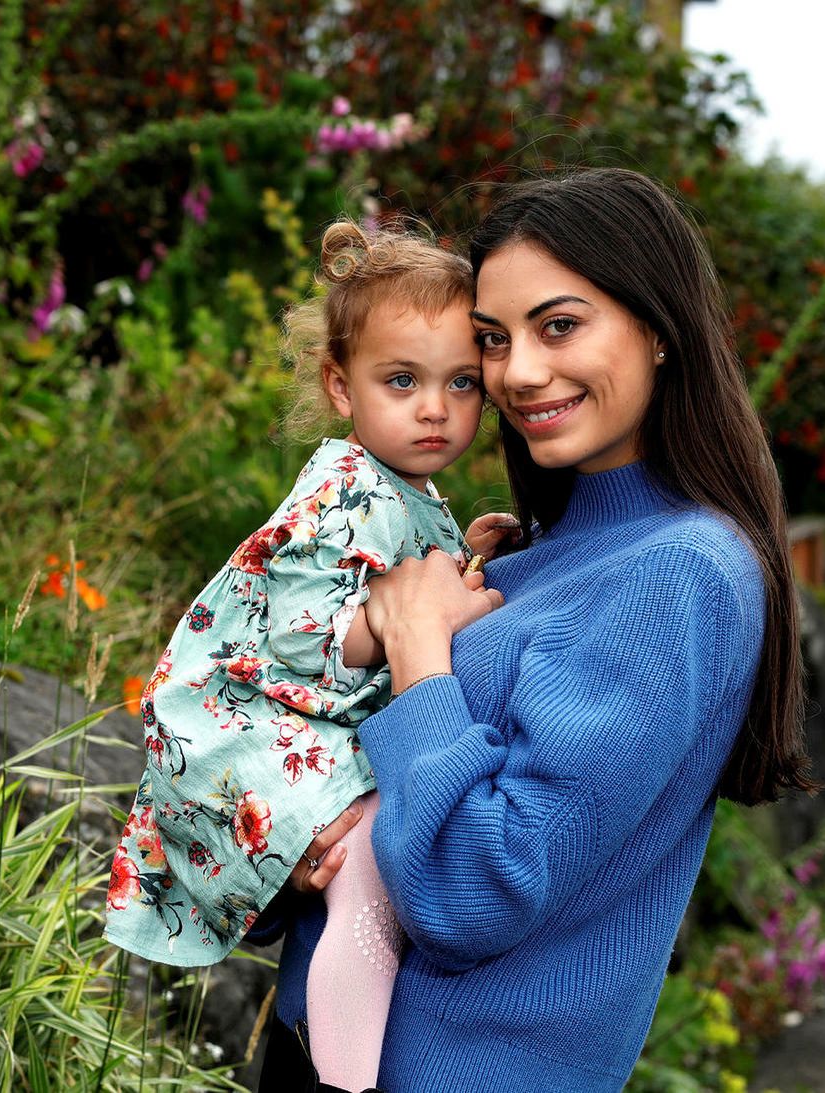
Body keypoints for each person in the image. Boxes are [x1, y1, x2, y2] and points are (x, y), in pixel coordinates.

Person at [256, 168, 818, 1092]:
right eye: (493, 338)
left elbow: (476, 887)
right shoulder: (544, 552)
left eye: (559, 325)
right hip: (323, 1047)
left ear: (660, 329)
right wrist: (298, 854)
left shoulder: (679, 574)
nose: (516, 371)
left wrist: (420, 657)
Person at [103, 218, 520, 1092]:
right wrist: (433, 612)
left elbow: (392, 584)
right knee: (372, 871)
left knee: (373, 864)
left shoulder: (400, 486)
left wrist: (459, 559)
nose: (436, 407)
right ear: (341, 386)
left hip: (271, 727)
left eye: (462, 384)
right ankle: (346, 1082)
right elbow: (307, 634)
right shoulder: (347, 489)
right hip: (237, 727)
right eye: (401, 380)